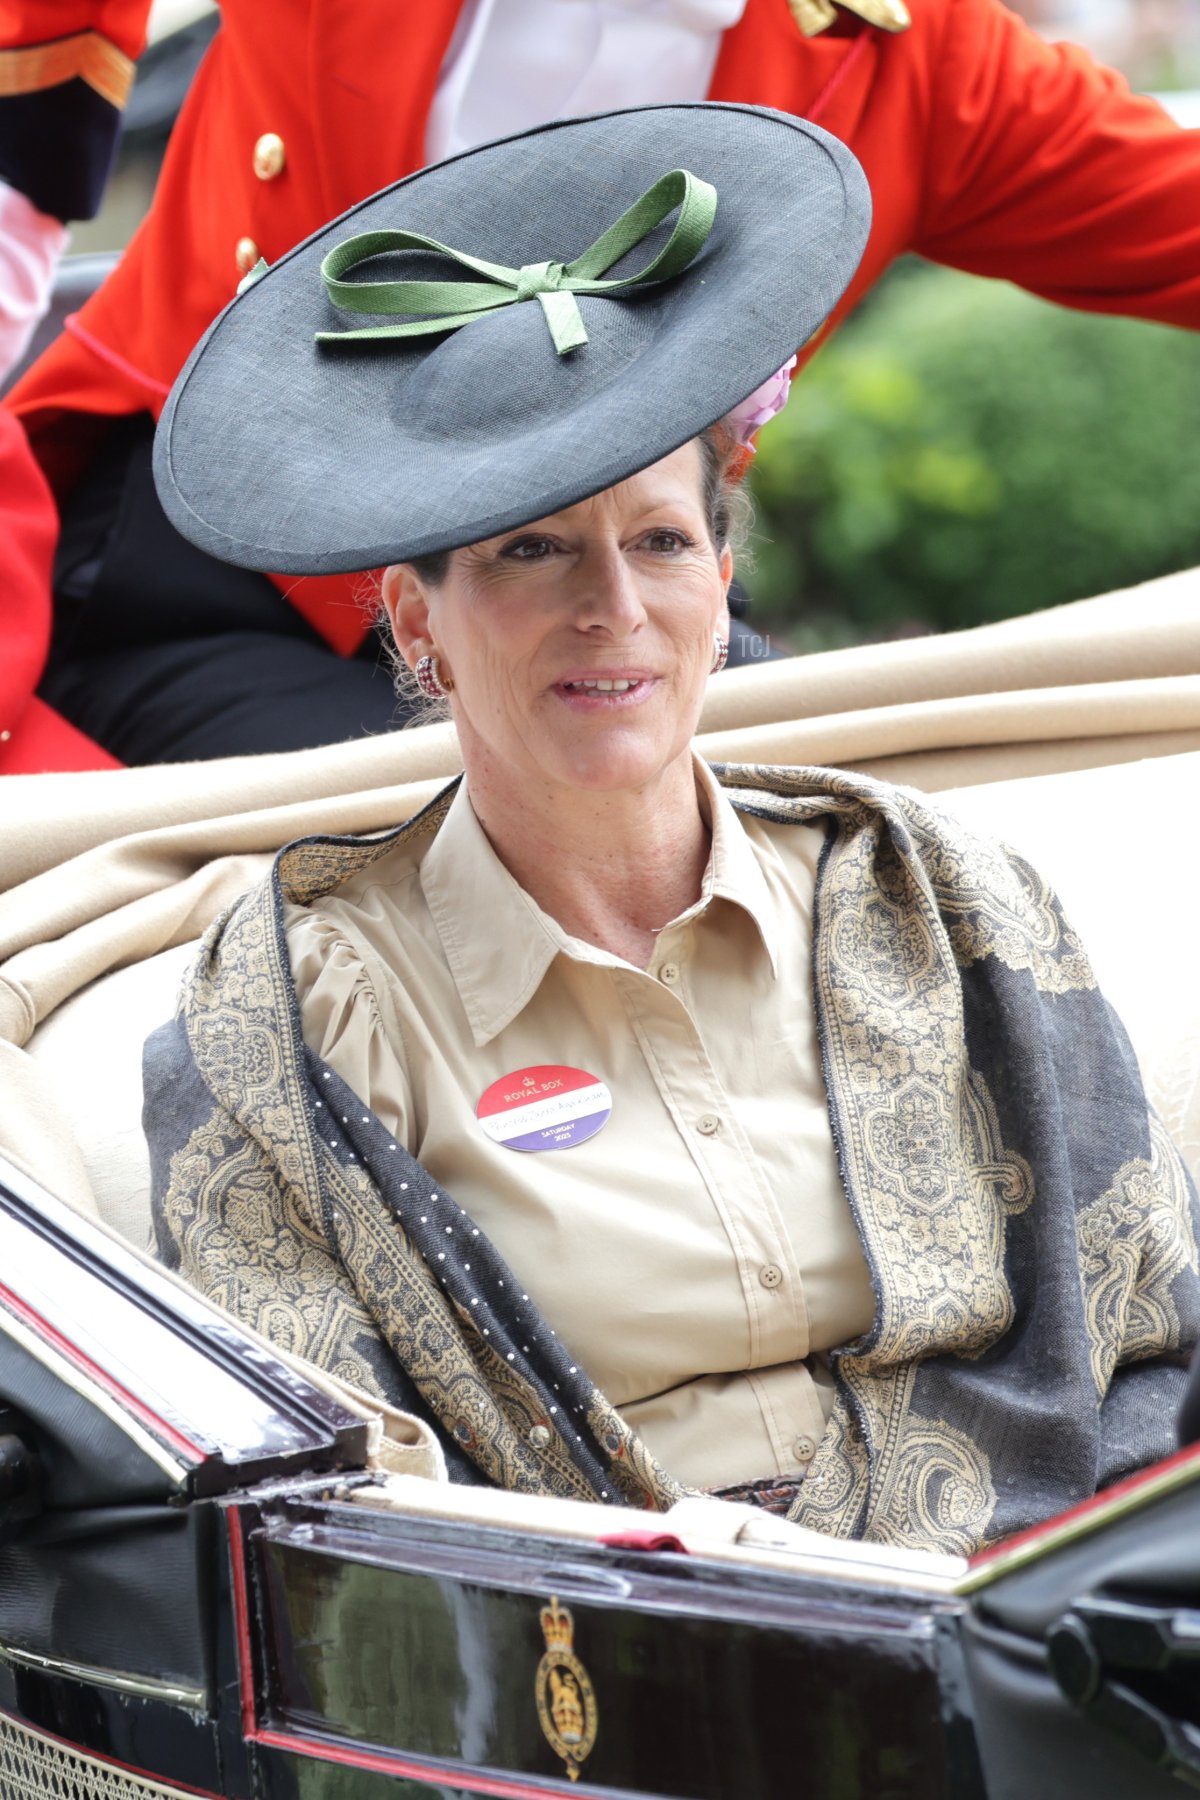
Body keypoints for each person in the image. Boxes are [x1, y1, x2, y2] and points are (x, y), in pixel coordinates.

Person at [141, 104, 1200, 1556]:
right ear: (416, 626)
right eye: (532, 551)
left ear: (720, 586)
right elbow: (343, 1518)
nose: (614, 610)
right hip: (611, 1690)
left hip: (1034, 1620)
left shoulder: (933, 901)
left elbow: (1151, 1338)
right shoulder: (302, 1015)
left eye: (659, 541)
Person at [6, 0, 1200, 770]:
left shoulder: (920, 56)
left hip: (612, 610)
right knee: (417, 872)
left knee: (865, 843)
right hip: (221, 582)